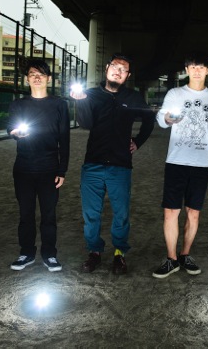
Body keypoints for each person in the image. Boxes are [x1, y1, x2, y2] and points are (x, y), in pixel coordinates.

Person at [70, 54, 155, 274]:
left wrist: (138, 142)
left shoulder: (133, 97)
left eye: (123, 69)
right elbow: (85, 123)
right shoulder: (91, 94)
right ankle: (94, 252)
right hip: (93, 163)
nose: (118, 71)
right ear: (107, 68)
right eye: (115, 66)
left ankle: (119, 253)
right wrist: (80, 101)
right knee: (91, 213)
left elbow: (149, 120)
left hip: (120, 164)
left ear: (127, 75)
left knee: (121, 213)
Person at [151, 54, 208, 279]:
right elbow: (161, 119)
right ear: (186, 70)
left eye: (201, 67)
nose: (197, 71)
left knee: (193, 213)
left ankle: (185, 255)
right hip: (176, 161)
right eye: (192, 67)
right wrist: (167, 119)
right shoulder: (175, 94)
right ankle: (171, 259)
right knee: (170, 211)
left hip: (202, 163)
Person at [8, 58, 71, 272]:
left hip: (49, 168)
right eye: (32, 74)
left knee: (49, 215)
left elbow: (65, 139)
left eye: (41, 74)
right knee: (25, 214)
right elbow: (11, 127)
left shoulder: (59, 105)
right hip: (23, 168)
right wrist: (14, 133)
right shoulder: (18, 104)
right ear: (27, 79)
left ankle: (49, 254)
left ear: (48, 79)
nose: (36, 77)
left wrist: (62, 169)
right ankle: (26, 253)